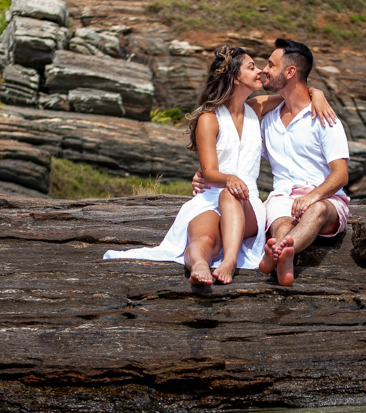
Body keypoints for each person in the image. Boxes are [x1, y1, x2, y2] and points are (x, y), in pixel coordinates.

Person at [104, 45, 336, 286]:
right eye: (251, 67)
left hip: (247, 201)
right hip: (210, 197)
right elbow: (209, 173)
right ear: (235, 77)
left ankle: (230, 261)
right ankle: (199, 264)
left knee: (231, 194)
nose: (260, 71)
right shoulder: (209, 119)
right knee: (203, 240)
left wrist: (317, 93)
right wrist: (227, 178)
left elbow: (295, 94)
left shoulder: (255, 108)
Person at [196, 38, 350, 287]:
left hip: (325, 198)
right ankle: (283, 253)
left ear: (290, 72)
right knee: (280, 223)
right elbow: (238, 147)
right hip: (282, 198)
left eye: (270, 64)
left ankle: (281, 251)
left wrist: (312, 197)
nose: (264, 70)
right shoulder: (266, 120)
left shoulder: (323, 117)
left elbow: (341, 175)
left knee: (317, 210)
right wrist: (205, 172)